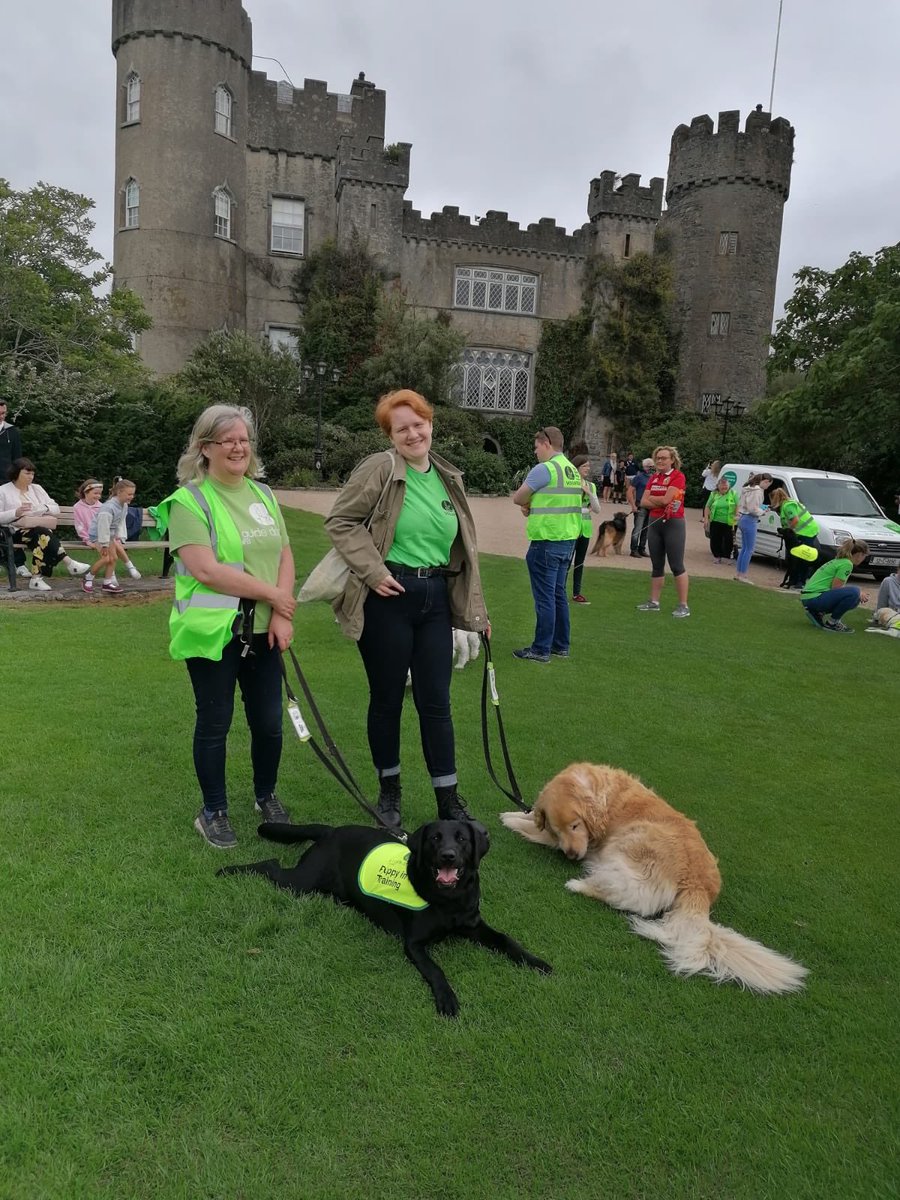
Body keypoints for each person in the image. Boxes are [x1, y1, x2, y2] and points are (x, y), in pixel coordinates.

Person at [324, 389, 488, 830]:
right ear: (390, 435)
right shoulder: (380, 468)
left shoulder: (447, 475)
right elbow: (340, 521)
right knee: (387, 700)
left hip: (435, 598)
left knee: (437, 702)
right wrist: (373, 571)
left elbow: (463, 551)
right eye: (402, 429)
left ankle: (448, 801)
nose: (413, 434)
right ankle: (389, 794)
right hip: (388, 599)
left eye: (418, 424)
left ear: (430, 423)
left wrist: (475, 611)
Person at [155, 404, 297, 849]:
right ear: (205, 448)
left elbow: (284, 554)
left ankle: (265, 796)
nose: (238, 448)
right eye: (227, 440)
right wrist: (274, 595)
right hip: (215, 631)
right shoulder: (188, 501)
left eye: (243, 440)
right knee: (215, 722)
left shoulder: (264, 494)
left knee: (269, 723)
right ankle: (213, 811)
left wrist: (281, 613)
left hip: (264, 630)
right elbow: (206, 570)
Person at [510, 426, 582, 660]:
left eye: (536, 446)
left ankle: (541, 648)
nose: (535, 452)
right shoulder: (571, 470)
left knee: (545, 597)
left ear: (546, 443)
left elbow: (518, 497)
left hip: (546, 539)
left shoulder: (545, 469)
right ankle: (560, 644)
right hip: (567, 539)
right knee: (558, 594)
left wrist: (528, 504)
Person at [0, 458, 89, 590]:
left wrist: (43, 508)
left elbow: (55, 508)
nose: (31, 477)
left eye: (32, 474)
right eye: (27, 473)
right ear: (16, 473)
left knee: (41, 537)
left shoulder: (37, 489)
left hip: (37, 530)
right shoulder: (3, 491)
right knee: (42, 535)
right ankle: (68, 563)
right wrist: (15, 512)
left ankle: (36, 580)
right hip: (13, 532)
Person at [636, 446, 690, 618]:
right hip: (655, 522)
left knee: (676, 565)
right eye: (658, 458)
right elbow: (643, 502)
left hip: (673, 523)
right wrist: (658, 500)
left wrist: (653, 498)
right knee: (657, 564)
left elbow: (668, 500)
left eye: (664, 458)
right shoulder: (654, 477)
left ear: (672, 460)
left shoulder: (678, 476)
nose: (660, 461)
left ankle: (683, 605)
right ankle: (654, 602)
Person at [82, 479, 143, 594]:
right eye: (129, 494)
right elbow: (103, 527)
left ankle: (107, 583)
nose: (132, 497)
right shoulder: (108, 508)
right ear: (119, 492)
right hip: (99, 535)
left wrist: (118, 537)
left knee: (113, 558)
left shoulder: (124, 505)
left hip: (109, 535)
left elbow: (119, 522)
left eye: (133, 494)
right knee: (106, 558)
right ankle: (88, 578)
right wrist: (104, 545)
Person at [800, 538, 869, 633]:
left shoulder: (839, 561)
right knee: (854, 592)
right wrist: (858, 592)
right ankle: (832, 623)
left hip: (809, 598)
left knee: (855, 597)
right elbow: (836, 588)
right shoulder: (847, 564)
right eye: (865, 556)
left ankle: (817, 613)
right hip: (814, 598)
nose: (864, 558)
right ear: (860, 554)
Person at [768, 487, 821, 589]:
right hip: (804, 531)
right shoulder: (787, 504)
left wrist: (788, 532)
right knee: (796, 557)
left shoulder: (788, 506)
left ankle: (800, 581)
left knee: (803, 558)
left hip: (806, 532)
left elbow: (795, 520)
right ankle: (794, 580)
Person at [570, 453, 601, 604]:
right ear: (576, 468)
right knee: (566, 562)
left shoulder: (591, 486)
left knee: (580, 563)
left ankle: (576, 593)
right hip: (571, 528)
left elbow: (597, 509)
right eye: (584, 466)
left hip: (585, 529)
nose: (587, 468)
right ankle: (559, 593)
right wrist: (585, 509)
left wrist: (589, 493)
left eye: (588, 466)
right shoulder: (570, 485)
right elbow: (570, 507)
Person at [734, 472, 773, 584]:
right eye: (768, 484)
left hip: (743, 518)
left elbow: (749, 506)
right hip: (750, 519)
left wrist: (761, 509)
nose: (768, 487)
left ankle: (739, 573)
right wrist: (763, 512)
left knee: (744, 548)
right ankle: (743, 575)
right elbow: (753, 509)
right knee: (749, 549)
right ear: (765, 482)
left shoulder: (749, 489)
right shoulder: (757, 491)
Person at [703, 476, 738, 564]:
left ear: (729, 486)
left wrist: (736, 515)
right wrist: (706, 519)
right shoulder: (713, 494)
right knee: (715, 539)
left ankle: (727, 556)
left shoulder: (733, 493)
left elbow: (737, 505)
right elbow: (707, 506)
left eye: (726, 486)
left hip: (729, 522)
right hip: (715, 520)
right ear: (718, 486)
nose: (724, 488)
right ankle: (717, 556)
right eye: (722, 486)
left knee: (728, 540)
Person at [627, 457, 654, 557]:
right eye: (650, 466)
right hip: (640, 505)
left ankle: (642, 548)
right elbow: (630, 491)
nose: (652, 468)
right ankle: (633, 549)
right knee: (638, 528)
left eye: (652, 466)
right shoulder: (639, 477)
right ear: (645, 467)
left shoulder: (655, 477)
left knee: (646, 529)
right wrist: (633, 505)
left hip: (651, 506)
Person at [0, 401, 22, 481]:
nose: (1, 416)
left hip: (5, 478)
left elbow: (17, 456)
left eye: (3, 413)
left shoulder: (12, 431)